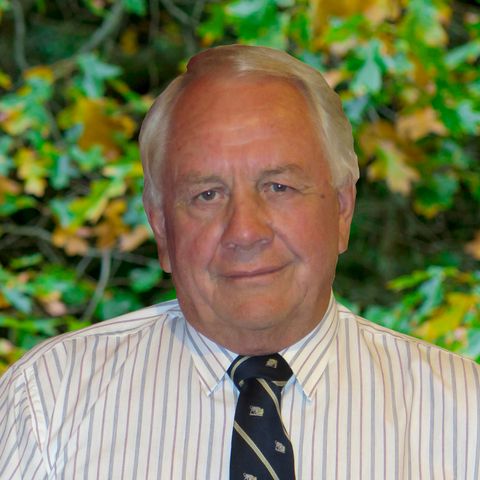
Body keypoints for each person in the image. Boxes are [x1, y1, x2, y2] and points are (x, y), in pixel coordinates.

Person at [1, 44, 479, 479]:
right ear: (161, 227)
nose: (245, 232)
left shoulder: (464, 414)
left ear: (341, 209)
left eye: (278, 187)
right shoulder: (47, 403)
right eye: (207, 194)